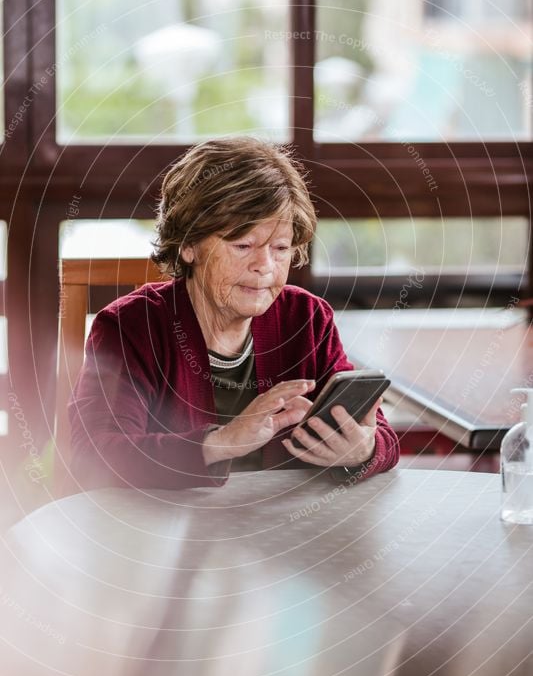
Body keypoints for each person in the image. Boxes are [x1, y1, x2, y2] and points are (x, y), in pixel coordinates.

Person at [69, 137, 399, 490]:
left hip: (286, 534)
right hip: (162, 537)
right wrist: (223, 442)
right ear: (189, 245)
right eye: (243, 245)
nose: (265, 266)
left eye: (281, 247)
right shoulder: (129, 327)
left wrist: (364, 449)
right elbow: (95, 455)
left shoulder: (307, 318)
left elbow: (381, 437)